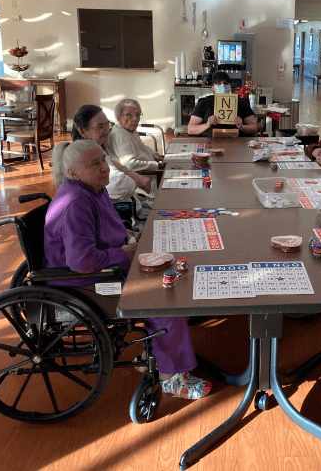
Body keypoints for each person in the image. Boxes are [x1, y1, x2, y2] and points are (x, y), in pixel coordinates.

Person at [44, 139, 212, 400]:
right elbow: (81, 262)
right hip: (82, 282)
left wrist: (126, 234)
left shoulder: (92, 189)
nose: (104, 168)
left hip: (104, 267)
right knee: (165, 295)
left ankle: (155, 352)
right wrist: (122, 253)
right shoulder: (76, 202)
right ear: (73, 172)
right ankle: (172, 378)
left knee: (172, 272)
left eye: (104, 160)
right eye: (95, 164)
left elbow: (104, 229)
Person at [72, 104, 152, 220]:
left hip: (131, 208)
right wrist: (134, 177)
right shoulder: (84, 158)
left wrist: (123, 169)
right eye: (100, 127)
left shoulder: (96, 149)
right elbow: (123, 186)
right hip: (119, 219)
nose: (106, 131)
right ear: (82, 131)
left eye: (107, 125)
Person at [105, 98, 163, 198]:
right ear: (118, 117)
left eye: (137, 115)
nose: (135, 118)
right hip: (146, 184)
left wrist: (154, 154)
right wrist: (157, 165)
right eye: (129, 115)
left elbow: (141, 145)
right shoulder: (121, 134)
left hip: (152, 176)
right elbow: (130, 164)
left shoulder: (128, 129)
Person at [187, 71, 258, 137]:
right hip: (210, 142)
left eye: (226, 83)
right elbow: (190, 129)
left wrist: (242, 126)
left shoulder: (241, 103)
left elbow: (254, 128)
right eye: (219, 83)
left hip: (236, 141)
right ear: (213, 88)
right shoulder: (204, 103)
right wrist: (207, 125)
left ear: (230, 86)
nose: (223, 86)